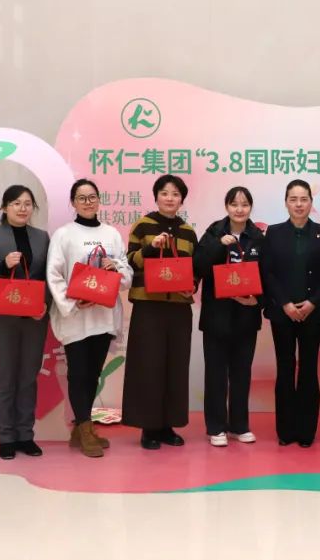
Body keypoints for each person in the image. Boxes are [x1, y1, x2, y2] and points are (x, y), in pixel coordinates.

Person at [47, 179, 133, 458]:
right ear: (73, 202)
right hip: (77, 317)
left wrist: (114, 266)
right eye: (82, 198)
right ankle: (85, 428)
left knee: (93, 373)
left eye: (92, 197)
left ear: (99, 200)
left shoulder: (111, 234)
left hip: (103, 316)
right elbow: (54, 274)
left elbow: (126, 273)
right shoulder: (63, 235)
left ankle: (80, 429)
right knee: (78, 373)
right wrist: (72, 302)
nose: (88, 202)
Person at [0, 185, 51, 460]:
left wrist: (45, 306)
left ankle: (25, 435)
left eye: (27, 203)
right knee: (5, 378)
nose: (22, 208)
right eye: (16, 203)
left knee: (28, 377)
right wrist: (2, 266)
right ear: (4, 208)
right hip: (2, 319)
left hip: (34, 318)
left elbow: (49, 277)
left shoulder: (42, 238)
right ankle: (6, 437)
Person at [122, 174, 198, 450]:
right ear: (156, 197)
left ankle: (168, 425)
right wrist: (151, 248)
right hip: (148, 306)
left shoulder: (188, 231)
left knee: (175, 367)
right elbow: (129, 261)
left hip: (178, 308)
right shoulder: (143, 225)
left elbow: (194, 268)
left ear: (182, 200)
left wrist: (192, 286)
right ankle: (149, 428)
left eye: (175, 194)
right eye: (164, 193)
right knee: (148, 365)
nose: (170, 198)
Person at [261, 179, 320, 447]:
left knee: (308, 369)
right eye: (293, 199)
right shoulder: (274, 233)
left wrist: (313, 303)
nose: (299, 204)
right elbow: (267, 272)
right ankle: (285, 430)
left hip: (312, 312)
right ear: (286, 202)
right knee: (285, 367)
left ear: (311, 203)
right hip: (283, 313)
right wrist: (285, 304)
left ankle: (306, 431)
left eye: (304, 199)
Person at [193, 186, 265, 447]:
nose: (239, 209)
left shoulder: (258, 237)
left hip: (246, 315)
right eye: (234, 204)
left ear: (250, 208)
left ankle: (239, 425)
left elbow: (269, 274)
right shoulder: (214, 232)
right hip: (216, 316)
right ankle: (216, 427)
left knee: (241, 373)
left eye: (244, 204)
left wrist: (257, 300)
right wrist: (217, 246)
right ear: (226, 206)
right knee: (215, 374)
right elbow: (198, 266)